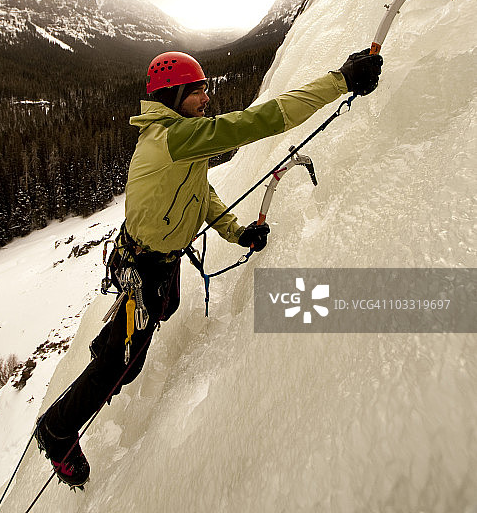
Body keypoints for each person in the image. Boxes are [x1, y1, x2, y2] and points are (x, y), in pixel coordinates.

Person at [36, 48, 382, 486]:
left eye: (205, 89)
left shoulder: (179, 136)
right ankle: (58, 430)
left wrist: (237, 232)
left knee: (162, 312)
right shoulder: (172, 139)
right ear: (173, 94)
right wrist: (341, 81)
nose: (206, 97)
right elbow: (262, 120)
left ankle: (111, 344)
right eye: (197, 90)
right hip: (145, 264)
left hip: (154, 261)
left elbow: (199, 193)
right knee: (124, 363)